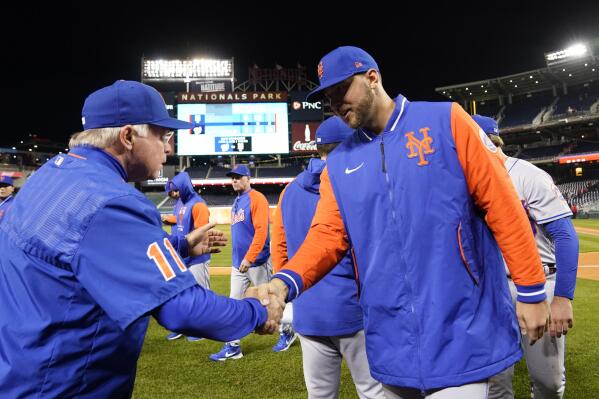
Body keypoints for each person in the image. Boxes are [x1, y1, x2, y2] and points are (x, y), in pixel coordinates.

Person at [246, 46, 550, 398]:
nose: (336, 104)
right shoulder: (340, 163)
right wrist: (283, 284)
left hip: (461, 329)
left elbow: (504, 205)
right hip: (390, 337)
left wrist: (530, 290)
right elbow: (327, 236)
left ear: (372, 78)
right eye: (328, 98)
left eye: (342, 90)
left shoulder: (445, 121)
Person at [0, 80, 281, 398]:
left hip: (19, 371)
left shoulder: (51, 174)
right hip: (63, 385)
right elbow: (181, 310)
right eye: (163, 135)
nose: (169, 148)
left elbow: (83, 249)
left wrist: (180, 245)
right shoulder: (109, 198)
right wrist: (255, 310)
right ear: (128, 136)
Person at [272, 116, 385, 399]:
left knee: (320, 395)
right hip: (352, 309)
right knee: (372, 391)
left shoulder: (289, 191)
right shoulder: (355, 181)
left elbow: (280, 250)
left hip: (308, 310)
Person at [473, 114, 578, 399]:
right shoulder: (468, 180)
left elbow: (566, 237)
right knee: (494, 381)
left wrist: (563, 298)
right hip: (491, 290)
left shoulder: (527, 175)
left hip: (540, 283)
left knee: (548, 383)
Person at [210, 164, 293, 360]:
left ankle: (287, 331)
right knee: (234, 303)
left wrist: (250, 257)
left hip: (257, 262)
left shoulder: (257, 199)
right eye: (232, 178)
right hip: (238, 264)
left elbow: (262, 232)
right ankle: (233, 346)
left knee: (270, 301)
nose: (234, 180)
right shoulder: (237, 201)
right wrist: (240, 260)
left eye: (238, 177)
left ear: (248, 178)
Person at [163, 172, 212, 342]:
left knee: (202, 294)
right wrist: (167, 219)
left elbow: (201, 232)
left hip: (197, 258)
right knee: (182, 294)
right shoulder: (180, 203)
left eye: (176, 191)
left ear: (184, 186)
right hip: (182, 255)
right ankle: (184, 327)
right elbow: (179, 219)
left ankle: (203, 328)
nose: (174, 195)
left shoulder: (198, 204)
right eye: (172, 192)